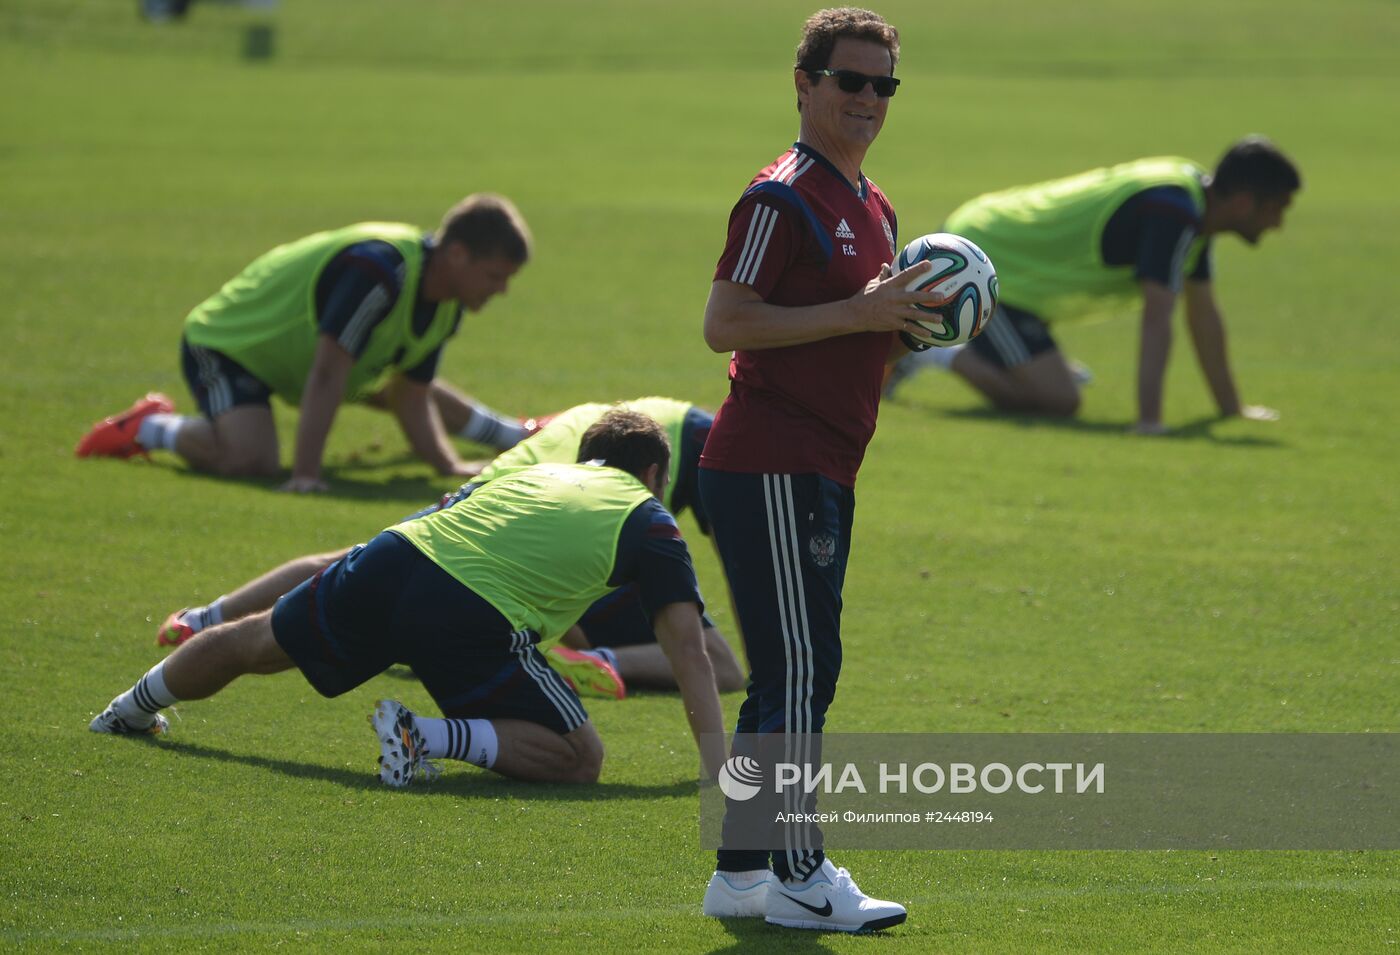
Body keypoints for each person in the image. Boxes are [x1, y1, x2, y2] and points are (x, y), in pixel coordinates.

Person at [90, 410, 728, 788]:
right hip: (472, 612)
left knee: (259, 641)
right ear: (654, 476)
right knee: (580, 756)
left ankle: (128, 708)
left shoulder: (533, 473)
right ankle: (419, 737)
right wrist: (719, 773)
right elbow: (693, 657)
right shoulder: (650, 518)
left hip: (399, 554)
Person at [697, 7, 938, 934]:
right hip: (769, 463)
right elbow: (727, 322)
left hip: (823, 463)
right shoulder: (779, 198)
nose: (869, 98)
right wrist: (858, 315)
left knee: (786, 677)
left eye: (884, 84)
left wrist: (909, 328)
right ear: (804, 85)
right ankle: (802, 874)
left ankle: (741, 869)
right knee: (801, 672)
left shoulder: (874, 206)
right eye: (851, 80)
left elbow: (863, 329)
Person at [154, 397, 748, 697]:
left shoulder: (634, 415)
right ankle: (587, 665)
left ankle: (208, 617)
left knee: (355, 560)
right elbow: (736, 558)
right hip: (558, 519)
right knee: (723, 666)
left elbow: (534, 439)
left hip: (494, 494)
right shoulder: (706, 454)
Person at [75, 194, 535, 491]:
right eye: (495, 276)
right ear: (457, 254)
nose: (500, 290)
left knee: (418, 389)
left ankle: (518, 435)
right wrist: (306, 474)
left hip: (306, 361)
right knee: (251, 460)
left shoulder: (448, 298)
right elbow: (328, 372)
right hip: (232, 345)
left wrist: (446, 465)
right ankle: (148, 428)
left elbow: (410, 395)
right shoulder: (380, 272)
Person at [885, 137, 1302, 434]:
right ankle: (930, 355)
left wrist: (1233, 410)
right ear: (1245, 203)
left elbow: (1204, 318)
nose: (1278, 224)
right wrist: (1150, 421)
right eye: (1276, 209)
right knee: (1059, 401)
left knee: (1056, 390)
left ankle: (1018, 362)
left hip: (1017, 271)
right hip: (994, 263)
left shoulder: (1193, 205)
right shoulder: (1173, 210)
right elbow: (1158, 321)